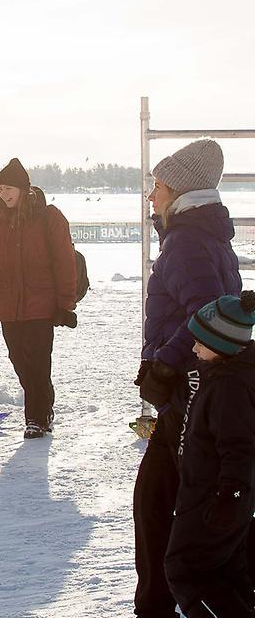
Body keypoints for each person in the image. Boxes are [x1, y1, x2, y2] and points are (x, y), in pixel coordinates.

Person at [132, 138, 243, 617]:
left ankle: (164, 604)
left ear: (178, 190)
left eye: (157, 186)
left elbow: (208, 311)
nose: (151, 195)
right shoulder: (199, 234)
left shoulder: (188, 242)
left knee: (162, 503)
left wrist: (166, 364)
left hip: (189, 387)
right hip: (192, 386)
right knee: (161, 500)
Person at [0, 157, 77, 440]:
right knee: (18, 359)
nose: (4, 194)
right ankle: (43, 401)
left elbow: (65, 260)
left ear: (23, 188)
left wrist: (65, 302)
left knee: (37, 360)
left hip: (41, 301)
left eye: (9, 188)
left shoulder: (49, 216)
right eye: (0, 189)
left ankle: (36, 418)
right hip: (9, 302)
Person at [164, 291, 255, 617]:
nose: (193, 348)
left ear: (223, 345)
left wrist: (230, 496)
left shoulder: (228, 386)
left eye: (200, 342)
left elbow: (239, 448)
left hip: (213, 500)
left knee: (185, 570)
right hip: (208, 496)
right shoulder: (216, 375)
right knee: (227, 572)